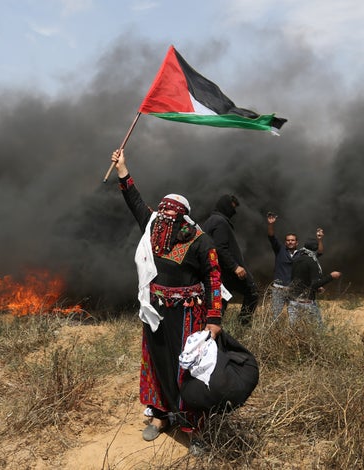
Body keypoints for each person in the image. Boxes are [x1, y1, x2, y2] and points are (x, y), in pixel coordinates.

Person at [109, 148, 224, 444]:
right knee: (157, 362)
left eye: (171, 209)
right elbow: (135, 202)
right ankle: (160, 415)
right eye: (163, 208)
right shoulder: (153, 227)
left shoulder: (200, 241)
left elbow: (213, 277)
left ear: (183, 215)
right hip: (155, 311)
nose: (165, 213)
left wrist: (214, 318)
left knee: (186, 366)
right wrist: (123, 169)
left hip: (188, 314)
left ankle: (192, 426)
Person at [202, 194, 259, 325]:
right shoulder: (219, 221)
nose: (234, 212)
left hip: (219, 272)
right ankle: (243, 325)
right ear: (225, 206)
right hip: (227, 271)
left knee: (220, 303)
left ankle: (215, 329)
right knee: (252, 292)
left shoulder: (212, 220)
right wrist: (235, 266)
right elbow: (220, 248)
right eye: (232, 208)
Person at [267, 214, 325, 320]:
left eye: (293, 240)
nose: (290, 242)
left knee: (294, 318)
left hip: (294, 290)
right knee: (275, 316)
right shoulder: (280, 250)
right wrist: (271, 224)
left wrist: (319, 239)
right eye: (288, 240)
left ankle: (293, 336)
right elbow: (271, 236)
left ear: (297, 242)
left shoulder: (301, 254)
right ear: (285, 242)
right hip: (279, 289)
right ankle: (273, 335)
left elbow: (319, 253)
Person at [288, 239, 340, 325]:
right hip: (306, 303)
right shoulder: (312, 262)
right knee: (317, 329)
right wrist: (331, 276)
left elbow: (301, 280)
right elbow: (315, 284)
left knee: (294, 331)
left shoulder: (296, 260)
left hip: (293, 302)